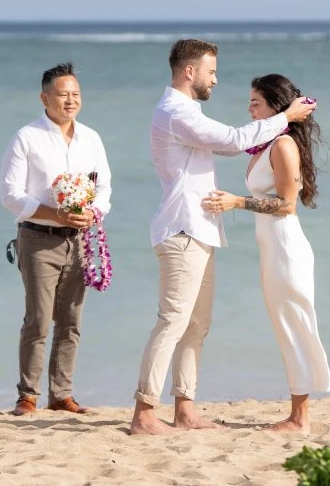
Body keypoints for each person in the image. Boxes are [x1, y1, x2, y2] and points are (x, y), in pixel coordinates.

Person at [129, 40, 316, 436]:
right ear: (190, 72)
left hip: (201, 229)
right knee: (173, 321)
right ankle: (144, 413)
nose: (216, 79)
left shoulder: (188, 113)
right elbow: (233, 141)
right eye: (211, 71)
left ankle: (185, 409)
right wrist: (285, 117)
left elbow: (233, 147)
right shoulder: (175, 111)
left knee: (197, 324)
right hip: (181, 229)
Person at [201, 73, 330, 432]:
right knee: (286, 324)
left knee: (294, 324)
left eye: (256, 102)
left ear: (277, 106)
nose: (249, 108)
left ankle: (299, 418)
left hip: (286, 247)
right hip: (273, 248)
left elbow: (287, 205)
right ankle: (298, 413)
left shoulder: (283, 146)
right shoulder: (268, 144)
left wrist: (236, 202)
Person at [0, 62, 112, 416]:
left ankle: (61, 394)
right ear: (44, 97)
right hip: (37, 239)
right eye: (63, 95)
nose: (70, 101)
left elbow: (104, 188)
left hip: (79, 240)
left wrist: (93, 213)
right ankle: (27, 395)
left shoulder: (91, 138)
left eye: (76, 94)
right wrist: (54, 214)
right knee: (38, 318)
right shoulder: (27, 138)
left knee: (72, 320)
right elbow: (10, 195)